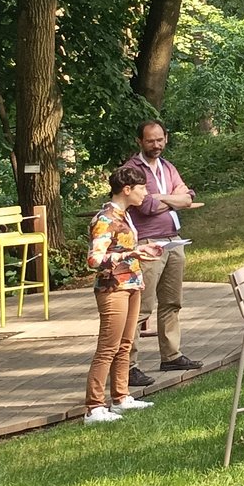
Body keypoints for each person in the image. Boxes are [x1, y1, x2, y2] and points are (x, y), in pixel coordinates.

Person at [83, 164, 161, 424]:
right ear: (126, 189)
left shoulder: (124, 215)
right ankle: (94, 407)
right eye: (142, 188)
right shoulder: (105, 218)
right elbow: (94, 260)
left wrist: (142, 249)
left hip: (131, 285)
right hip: (112, 288)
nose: (146, 194)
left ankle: (121, 397)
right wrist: (129, 254)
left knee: (125, 344)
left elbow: (123, 246)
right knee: (108, 346)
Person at [125, 121, 202, 376]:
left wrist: (161, 198)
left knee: (172, 301)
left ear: (166, 138)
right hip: (147, 244)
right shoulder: (131, 170)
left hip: (173, 240)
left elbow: (188, 196)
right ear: (139, 141)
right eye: (150, 141)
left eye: (159, 139)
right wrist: (174, 201)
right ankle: (129, 365)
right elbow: (144, 206)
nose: (156, 145)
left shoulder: (168, 167)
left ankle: (171, 355)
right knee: (141, 307)